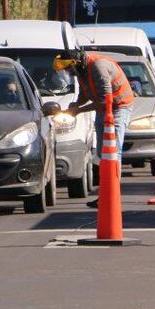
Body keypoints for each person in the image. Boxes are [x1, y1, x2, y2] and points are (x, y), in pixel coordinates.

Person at [54, 49, 134, 208]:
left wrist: (79, 110)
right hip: (103, 108)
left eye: (69, 69)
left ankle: (112, 194)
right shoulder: (82, 71)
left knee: (113, 151)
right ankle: (106, 193)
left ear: (75, 63)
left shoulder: (98, 66)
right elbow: (86, 92)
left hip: (119, 107)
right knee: (102, 153)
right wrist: (76, 104)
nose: (69, 73)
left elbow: (106, 100)